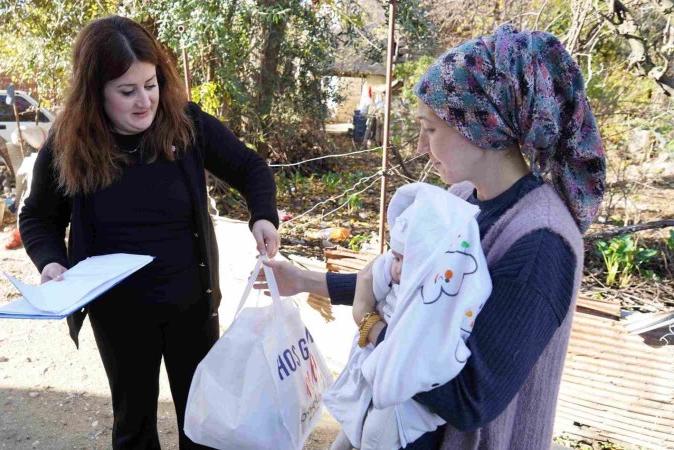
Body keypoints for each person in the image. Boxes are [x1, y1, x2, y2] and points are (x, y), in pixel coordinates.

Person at [256, 24, 605, 450]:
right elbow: (418, 289)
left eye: (432, 129)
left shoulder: (540, 244)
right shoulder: (462, 200)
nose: (421, 146)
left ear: (484, 126)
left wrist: (371, 327)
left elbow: (471, 398)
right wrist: (306, 281)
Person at [19, 16, 280, 450]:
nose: (145, 101)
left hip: (191, 307)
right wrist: (50, 262)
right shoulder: (69, 144)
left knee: (202, 424)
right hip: (118, 314)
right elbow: (38, 217)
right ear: (95, 92)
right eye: (127, 91)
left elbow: (250, 168)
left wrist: (263, 217)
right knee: (133, 427)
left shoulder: (185, 124)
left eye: (151, 84)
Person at [326, 182, 492, 450]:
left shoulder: (443, 291)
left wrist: (367, 322)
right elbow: (368, 280)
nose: (398, 268)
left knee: (374, 437)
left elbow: (424, 345)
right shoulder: (393, 265)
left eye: (406, 260)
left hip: (407, 399)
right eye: (397, 257)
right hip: (376, 368)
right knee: (350, 426)